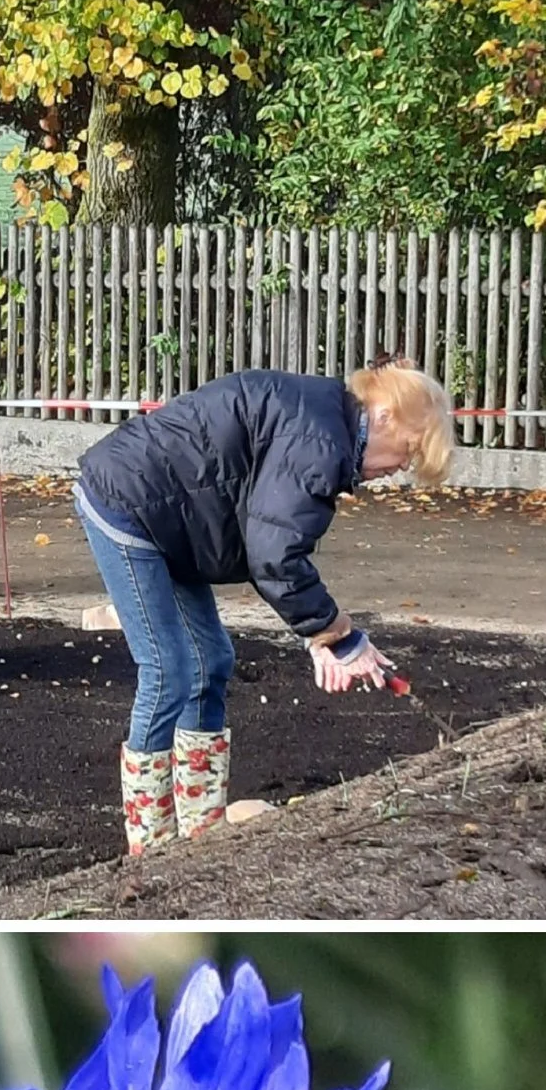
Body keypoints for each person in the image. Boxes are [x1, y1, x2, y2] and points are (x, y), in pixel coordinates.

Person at [74, 361, 452, 853]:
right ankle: (151, 848)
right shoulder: (320, 443)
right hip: (128, 502)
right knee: (168, 671)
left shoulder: (322, 427)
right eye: (408, 450)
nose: (400, 468)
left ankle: (200, 838)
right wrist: (335, 631)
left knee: (211, 662)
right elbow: (275, 556)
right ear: (383, 417)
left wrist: (322, 638)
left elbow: (264, 538)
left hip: (175, 520)